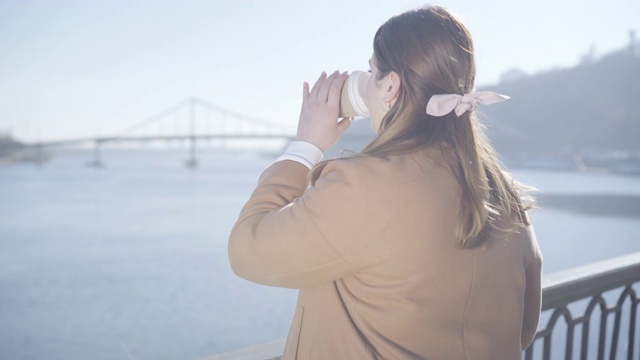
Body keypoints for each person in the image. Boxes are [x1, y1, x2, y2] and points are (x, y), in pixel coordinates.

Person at [228, 5, 542, 359]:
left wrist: (305, 147)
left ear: (390, 85)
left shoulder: (365, 186)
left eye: (370, 71)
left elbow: (247, 251)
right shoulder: (503, 192)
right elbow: (523, 327)